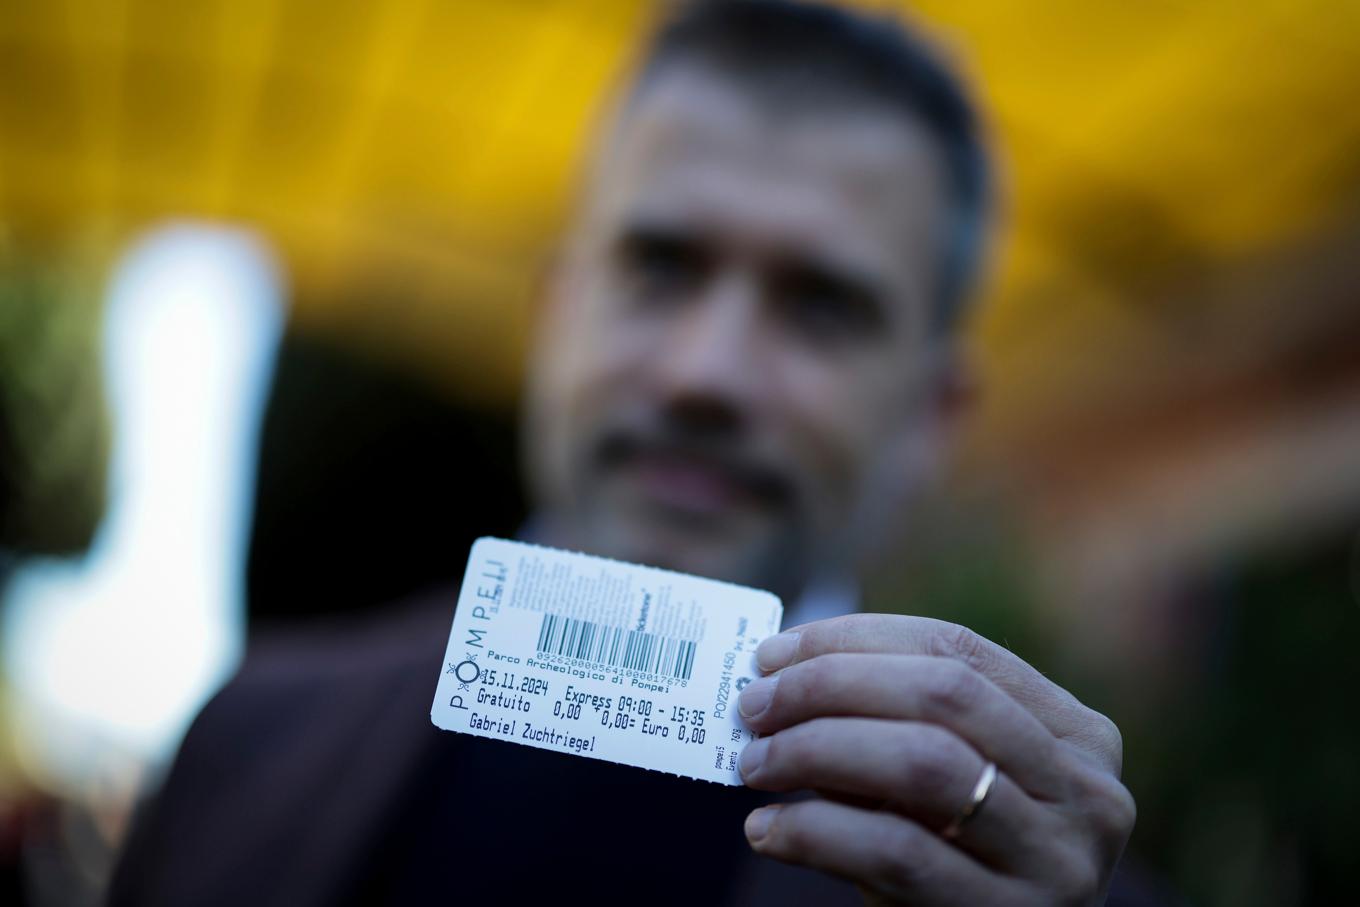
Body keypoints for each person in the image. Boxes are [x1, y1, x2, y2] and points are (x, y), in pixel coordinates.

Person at [110, 2, 1139, 904]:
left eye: (822, 307)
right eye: (658, 266)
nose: (707, 372)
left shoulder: (1047, 887)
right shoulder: (242, 747)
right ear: (552, 313)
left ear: (932, 414)